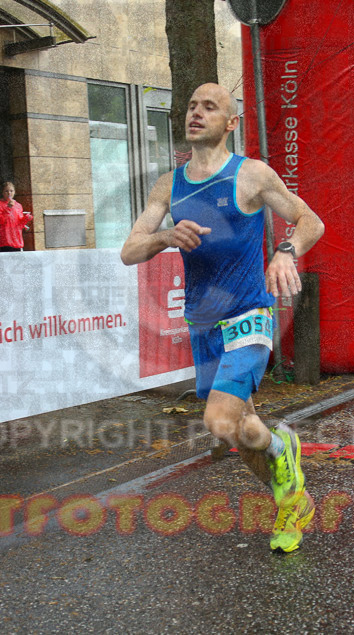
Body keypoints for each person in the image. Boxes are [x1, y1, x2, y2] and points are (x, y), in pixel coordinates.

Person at [120, 82, 325, 553]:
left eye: (209, 107)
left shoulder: (251, 175)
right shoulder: (169, 185)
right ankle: (289, 486)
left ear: (230, 124)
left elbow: (309, 220)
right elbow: (131, 250)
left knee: (217, 421)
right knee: (242, 429)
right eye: (192, 105)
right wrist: (165, 236)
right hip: (203, 324)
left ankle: (283, 461)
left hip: (249, 316)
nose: (196, 113)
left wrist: (285, 252)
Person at [0, 181, 34, 252]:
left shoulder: (18, 205)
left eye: (11, 191)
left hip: (16, 238)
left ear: (14, 192)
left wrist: (26, 218)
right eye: (6, 191)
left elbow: (20, 223)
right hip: (5, 239)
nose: (9, 193)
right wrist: (8, 208)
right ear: (3, 193)